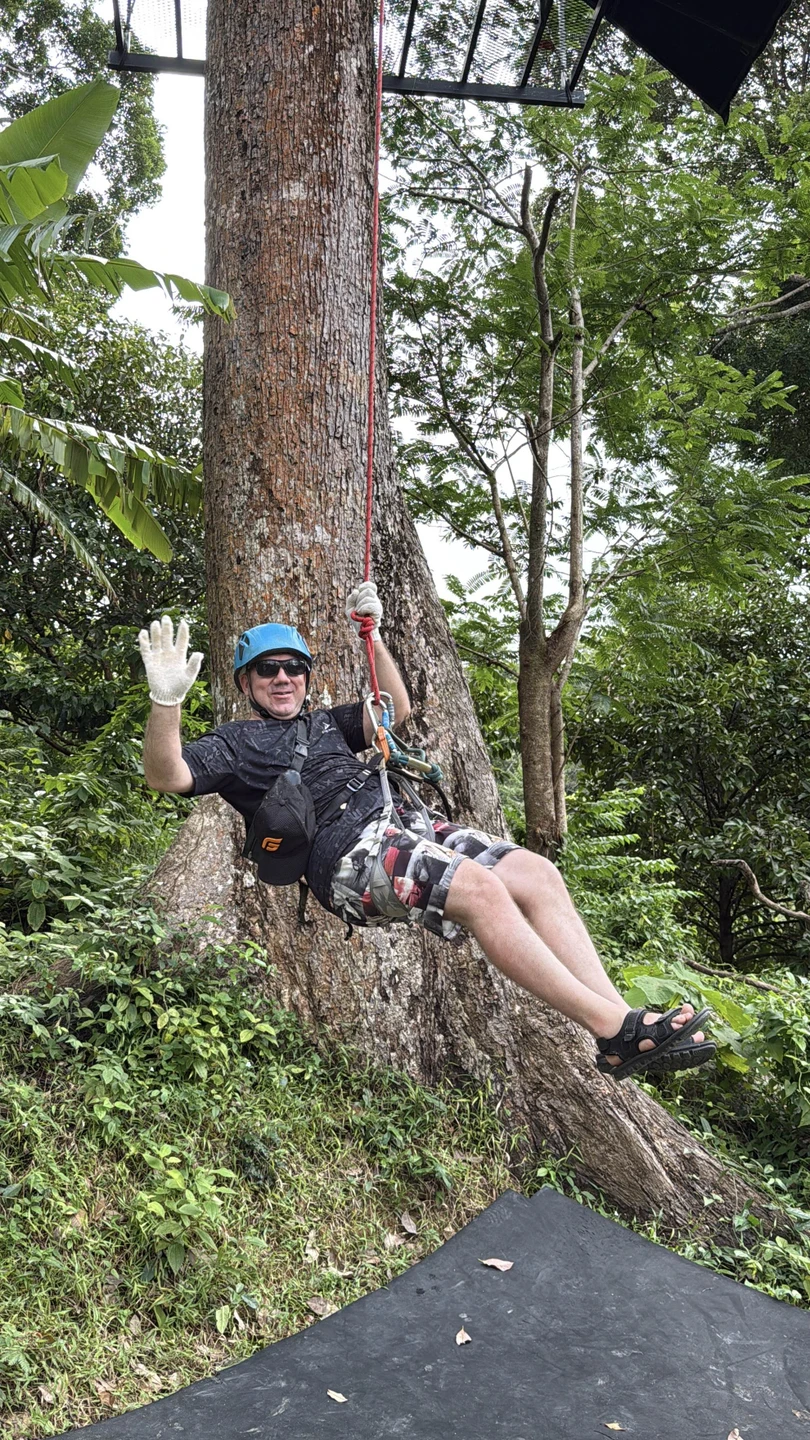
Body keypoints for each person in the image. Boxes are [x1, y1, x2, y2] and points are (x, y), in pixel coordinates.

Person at [138, 584, 714, 1082]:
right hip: (347, 859)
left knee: (537, 874)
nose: (283, 677)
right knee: (482, 892)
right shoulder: (237, 742)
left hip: (405, 824)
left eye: (293, 667)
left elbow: (397, 708)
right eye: (268, 669)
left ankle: (625, 1030)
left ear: (307, 677)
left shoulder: (329, 723)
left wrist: (374, 633)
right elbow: (168, 776)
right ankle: (611, 1026)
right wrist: (167, 703)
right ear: (247, 681)